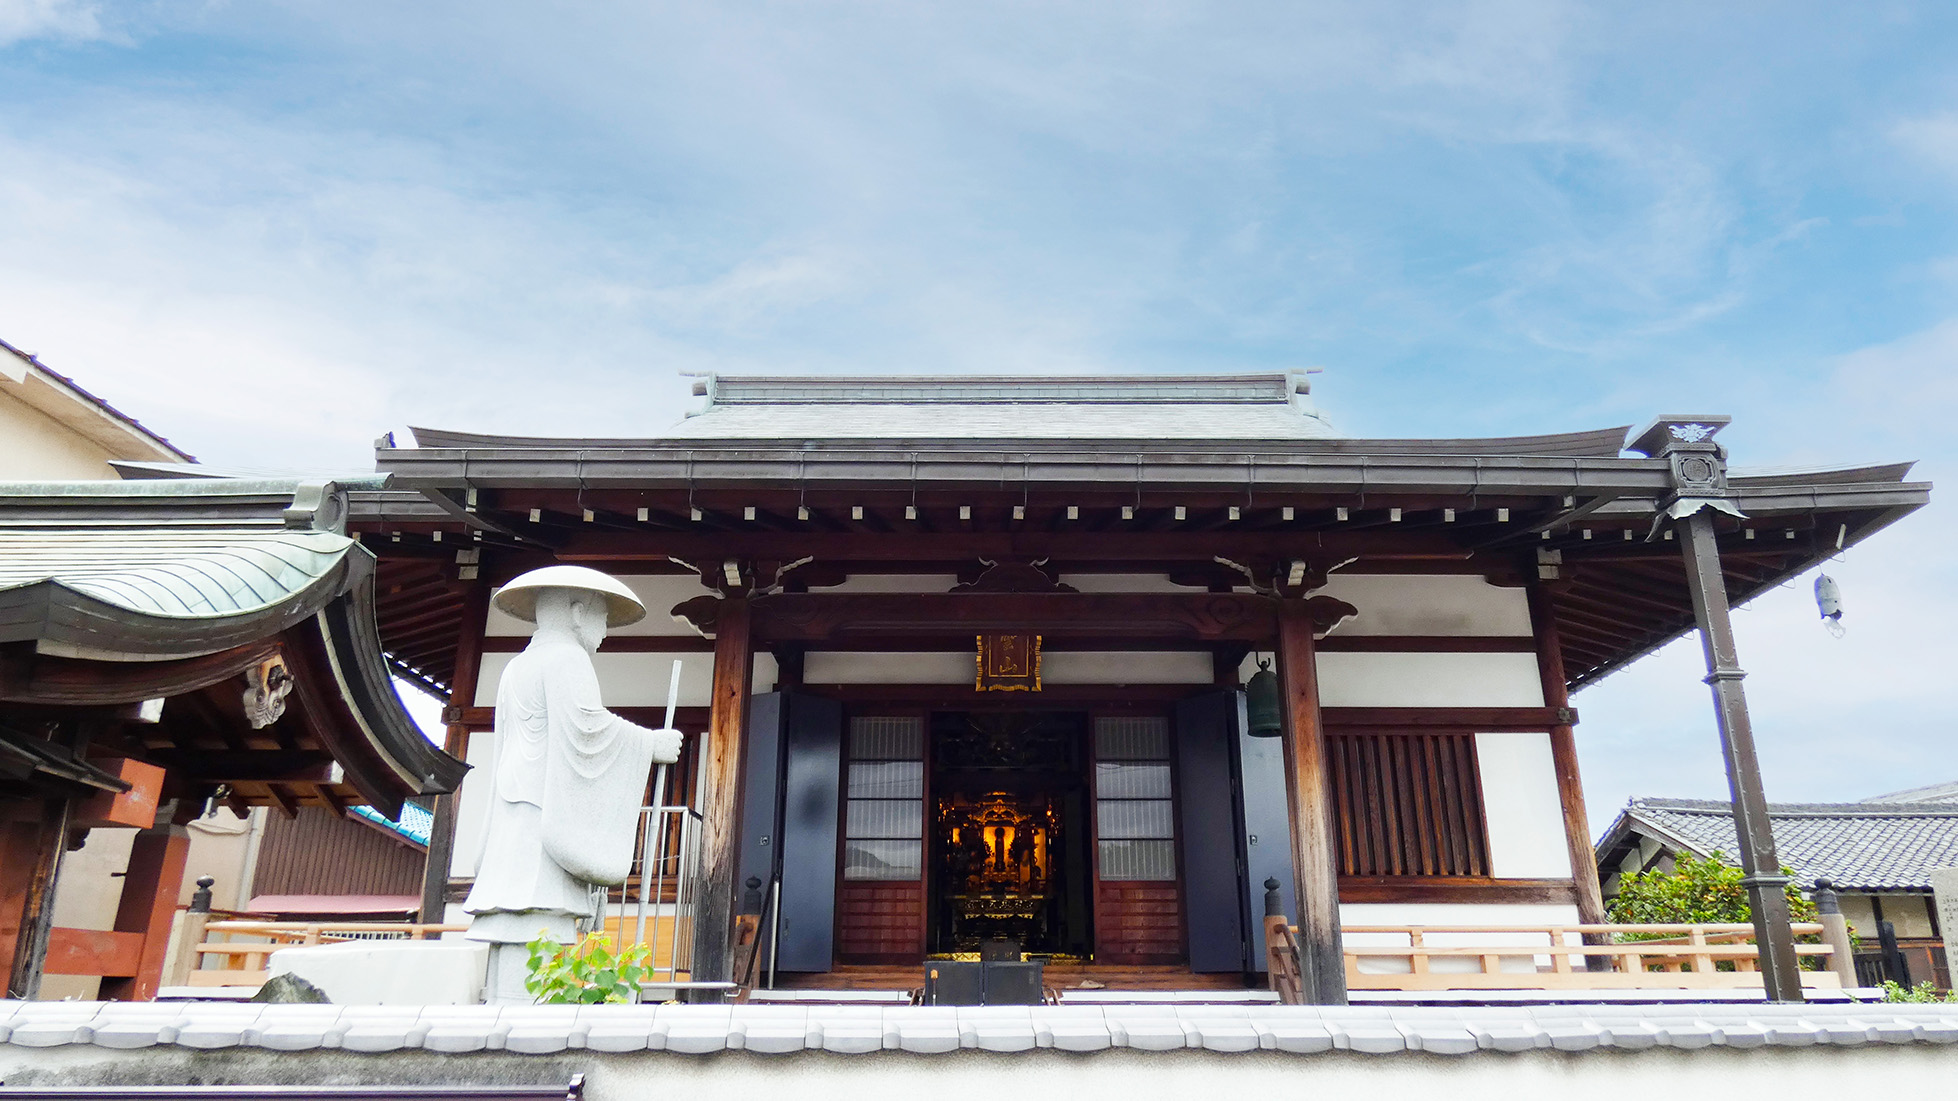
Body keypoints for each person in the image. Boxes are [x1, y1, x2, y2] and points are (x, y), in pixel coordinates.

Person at [462, 566, 683, 1003]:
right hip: (544, 811)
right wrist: (649, 744)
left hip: (515, 809)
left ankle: (510, 1005)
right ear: (579, 613)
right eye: (602, 619)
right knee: (539, 915)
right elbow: (587, 730)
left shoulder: (515, 666)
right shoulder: (567, 658)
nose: (604, 633)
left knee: (519, 917)